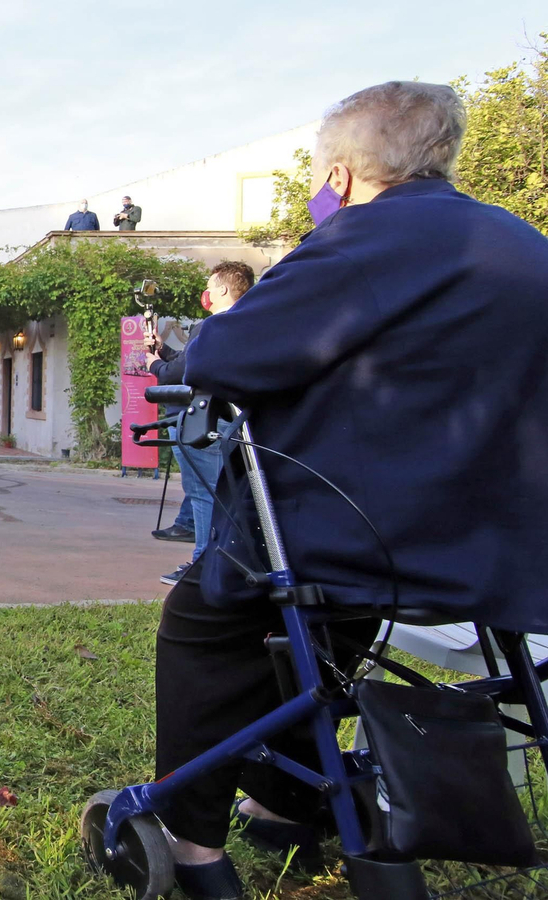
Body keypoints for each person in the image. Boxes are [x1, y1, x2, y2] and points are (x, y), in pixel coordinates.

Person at [154, 81, 548, 900]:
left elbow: (224, 356)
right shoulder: (525, 245)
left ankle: (191, 847)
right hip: (497, 550)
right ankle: (285, 801)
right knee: (320, 631)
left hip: (362, 536)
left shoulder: (361, 240)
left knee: (202, 623)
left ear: (338, 175)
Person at [145, 261, 255, 585]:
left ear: (222, 289)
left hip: (204, 422)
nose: (205, 293)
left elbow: (180, 373)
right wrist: (163, 350)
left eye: (209, 287)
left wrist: (154, 364)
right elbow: (191, 362)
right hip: (233, 423)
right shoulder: (247, 323)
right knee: (222, 494)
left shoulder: (210, 327)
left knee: (204, 494)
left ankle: (201, 566)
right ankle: (218, 563)